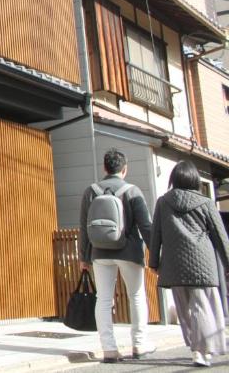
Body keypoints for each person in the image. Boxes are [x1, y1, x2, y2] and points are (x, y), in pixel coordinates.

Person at [149, 160, 229, 368]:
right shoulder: (205, 202)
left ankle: (196, 348)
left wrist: (154, 262)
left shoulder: (163, 202)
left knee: (185, 309)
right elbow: (221, 237)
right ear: (194, 179)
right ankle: (203, 351)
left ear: (173, 180)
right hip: (203, 262)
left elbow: (156, 234)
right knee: (201, 306)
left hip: (174, 263)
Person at [79, 148, 155, 363]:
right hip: (128, 251)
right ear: (125, 169)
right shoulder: (132, 191)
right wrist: (155, 253)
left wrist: (84, 257)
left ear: (105, 168)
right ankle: (139, 344)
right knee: (137, 296)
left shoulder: (91, 191)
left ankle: (109, 349)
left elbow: (84, 228)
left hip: (99, 252)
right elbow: (146, 226)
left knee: (103, 299)